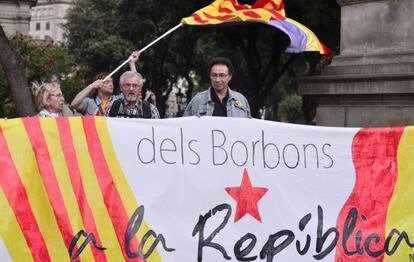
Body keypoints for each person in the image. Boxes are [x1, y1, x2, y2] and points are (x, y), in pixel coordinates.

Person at [71, 51, 141, 116]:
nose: (111, 84)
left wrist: (132, 64)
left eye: (111, 81)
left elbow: (135, 90)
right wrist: (91, 86)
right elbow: (74, 104)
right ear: (98, 85)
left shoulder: (119, 100)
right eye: (107, 82)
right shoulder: (89, 103)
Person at [183, 57, 250, 118]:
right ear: (210, 76)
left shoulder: (241, 100)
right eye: (214, 75)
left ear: (229, 77)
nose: (217, 80)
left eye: (222, 75)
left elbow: (247, 126)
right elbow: (185, 125)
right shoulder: (197, 100)